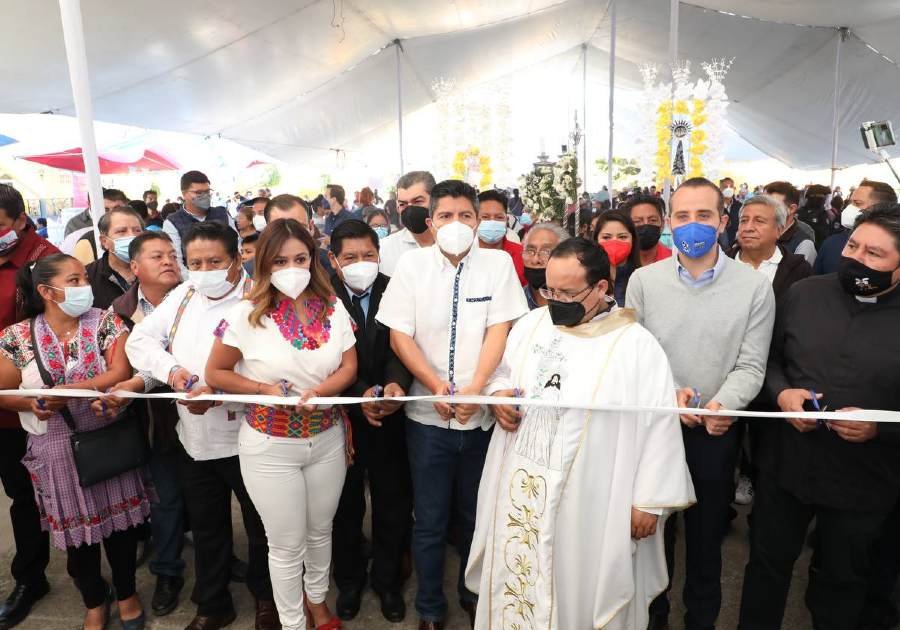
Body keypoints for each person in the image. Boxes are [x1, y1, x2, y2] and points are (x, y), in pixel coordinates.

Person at [466, 238, 695, 629]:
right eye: (548, 290)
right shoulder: (532, 324)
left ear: (603, 287)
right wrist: (497, 395)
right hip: (524, 484)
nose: (555, 300)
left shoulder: (635, 345)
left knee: (578, 587)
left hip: (591, 500)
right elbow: (502, 373)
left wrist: (650, 500)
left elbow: (660, 423)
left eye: (568, 292)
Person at [738, 205, 900, 630]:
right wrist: (782, 393)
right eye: (853, 245)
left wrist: (879, 427)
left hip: (865, 477)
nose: (857, 259)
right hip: (788, 462)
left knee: (843, 581)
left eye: (875, 254)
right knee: (767, 566)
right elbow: (769, 360)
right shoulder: (806, 293)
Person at [376, 179, 528, 630]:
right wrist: (434, 384)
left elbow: (499, 329)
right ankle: (429, 607)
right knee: (429, 518)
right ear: (431, 220)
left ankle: (471, 594)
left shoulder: (498, 265)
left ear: (478, 220)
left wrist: (475, 389)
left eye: (465, 215)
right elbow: (399, 334)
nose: (456, 224)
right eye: (445, 216)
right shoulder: (411, 266)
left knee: (474, 515)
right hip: (427, 416)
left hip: (480, 418)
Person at [626, 177, 776, 630]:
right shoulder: (643, 281)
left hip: (714, 431)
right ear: (671, 224)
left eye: (704, 215)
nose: (694, 225)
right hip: (654, 427)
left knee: (706, 540)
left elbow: (752, 365)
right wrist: (668, 395)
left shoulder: (753, 288)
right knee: (651, 539)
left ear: (722, 221)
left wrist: (721, 404)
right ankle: (655, 618)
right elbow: (634, 354)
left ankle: (701, 621)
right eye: (684, 216)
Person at [204, 219, 354, 630]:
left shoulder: (333, 306)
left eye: (301, 258)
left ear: (314, 259)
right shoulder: (245, 314)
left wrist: (321, 393)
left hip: (326, 437)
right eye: (280, 260)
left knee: (321, 531)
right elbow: (216, 372)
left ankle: (318, 603)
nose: (292, 268)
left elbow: (349, 366)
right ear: (263, 264)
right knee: (286, 545)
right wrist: (264, 388)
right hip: (270, 445)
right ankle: (292, 623)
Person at [125, 222, 276, 630]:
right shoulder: (184, 294)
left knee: (262, 525)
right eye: (195, 262)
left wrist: (221, 393)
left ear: (236, 260)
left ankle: (267, 600)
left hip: (249, 432)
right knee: (208, 526)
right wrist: (174, 373)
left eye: (214, 261)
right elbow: (140, 341)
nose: (204, 270)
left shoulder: (259, 298)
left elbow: (273, 367)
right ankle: (213, 603)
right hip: (195, 439)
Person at [0, 254, 152, 630]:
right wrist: (33, 404)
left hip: (107, 440)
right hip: (54, 446)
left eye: (84, 277)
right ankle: (95, 600)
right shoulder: (16, 337)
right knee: (76, 537)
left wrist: (68, 390)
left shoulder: (106, 322)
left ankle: (128, 593)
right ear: (46, 291)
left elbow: (119, 372)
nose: (85, 285)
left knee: (120, 531)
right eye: (74, 279)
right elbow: (4, 391)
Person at [325, 220, 413, 623]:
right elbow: (326, 356)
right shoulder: (319, 296)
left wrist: (394, 385)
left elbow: (405, 342)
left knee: (392, 501)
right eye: (350, 257)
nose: (362, 264)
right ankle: (349, 581)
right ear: (333, 260)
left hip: (391, 413)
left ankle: (388, 581)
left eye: (368, 255)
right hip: (340, 415)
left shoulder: (397, 288)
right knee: (344, 506)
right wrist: (359, 393)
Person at [100, 231, 188, 617]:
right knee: (165, 498)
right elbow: (128, 367)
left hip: (205, 413)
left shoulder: (196, 299)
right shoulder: (118, 312)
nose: (169, 261)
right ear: (134, 268)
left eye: (173, 254)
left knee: (208, 497)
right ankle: (168, 570)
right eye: (157, 256)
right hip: (154, 422)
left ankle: (218, 559)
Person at [726, 194, 812, 507]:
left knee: (764, 446)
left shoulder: (798, 272)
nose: (748, 227)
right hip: (727, 373)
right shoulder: (719, 263)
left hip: (773, 374)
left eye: (759, 221)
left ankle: (755, 483)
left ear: (779, 229)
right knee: (724, 447)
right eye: (744, 220)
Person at [0, 185, 57, 629]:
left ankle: (31, 576)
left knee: (27, 493)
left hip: (21, 403)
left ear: (19, 221)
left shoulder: (45, 261)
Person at [815, 179, 897, 275]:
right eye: (850, 203)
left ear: (881, 207)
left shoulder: (895, 246)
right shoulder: (832, 243)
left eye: (857, 203)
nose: (849, 208)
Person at [162, 170, 235, 270]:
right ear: (184, 194)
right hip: (193, 279)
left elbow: (237, 245)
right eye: (198, 193)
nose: (205, 196)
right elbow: (176, 261)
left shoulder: (222, 214)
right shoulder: (172, 222)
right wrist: (196, 282)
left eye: (207, 191)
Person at [378, 171, 437, 277]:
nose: (410, 209)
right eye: (403, 204)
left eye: (418, 201)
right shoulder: (384, 250)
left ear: (435, 201)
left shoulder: (454, 243)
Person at [85, 207, 144, 309]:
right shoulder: (88, 276)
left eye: (137, 230)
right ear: (104, 241)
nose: (132, 236)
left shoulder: (157, 269)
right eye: (121, 231)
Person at [476, 190, 526, 285]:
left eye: (499, 217)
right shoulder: (464, 254)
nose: (492, 222)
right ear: (475, 219)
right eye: (485, 217)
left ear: (506, 220)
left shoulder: (522, 254)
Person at [593, 210, 642, 306]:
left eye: (622, 237)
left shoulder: (643, 279)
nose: (614, 242)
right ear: (596, 240)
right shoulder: (588, 281)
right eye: (606, 237)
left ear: (633, 240)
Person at [765, 181, 817, 266]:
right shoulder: (758, 231)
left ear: (792, 209)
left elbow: (797, 278)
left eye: (773, 205)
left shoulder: (804, 244)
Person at [521, 222, 570, 310]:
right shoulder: (515, 300)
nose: (535, 260)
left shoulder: (572, 302)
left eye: (546, 252)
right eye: (530, 250)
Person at [623, 194, 672, 267]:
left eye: (653, 220)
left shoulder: (674, 261)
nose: (646, 225)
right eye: (637, 221)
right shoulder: (618, 263)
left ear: (662, 224)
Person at [720, 177, 742, 249]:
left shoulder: (740, 206)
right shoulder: (715, 206)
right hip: (720, 247)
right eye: (725, 187)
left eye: (731, 186)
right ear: (720, 189)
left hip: (736, 246)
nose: (728, 189)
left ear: (734, 189)